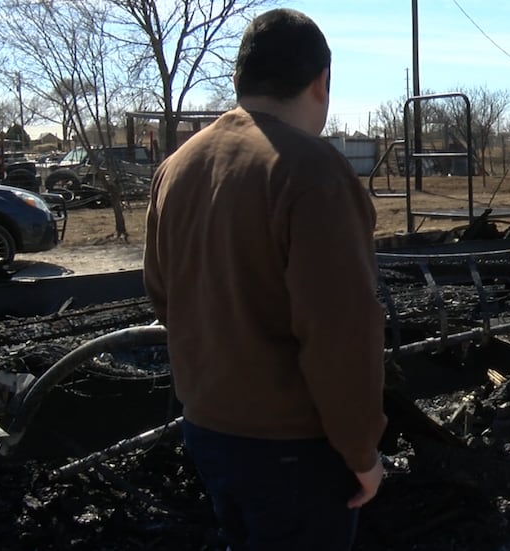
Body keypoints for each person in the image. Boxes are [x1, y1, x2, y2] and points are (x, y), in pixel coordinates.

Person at [143, 9, 386, 550]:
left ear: (241, 78)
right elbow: (341, 334)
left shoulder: (177, 166)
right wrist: (361, 453)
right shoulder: (313, 172)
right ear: (321, 82)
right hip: (293, 448)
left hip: (207, 429)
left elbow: (163, 295)